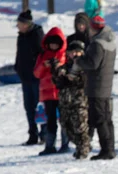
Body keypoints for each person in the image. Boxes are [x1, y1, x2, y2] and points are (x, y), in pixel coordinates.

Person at [73, 16, 117, 160]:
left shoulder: (98, 43)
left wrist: (79, 60)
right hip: (104, 85)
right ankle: (109, 148)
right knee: (106, 119)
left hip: (97, 86)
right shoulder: (109, 41)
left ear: (93, 29)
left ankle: (107, 150)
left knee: (100, 119)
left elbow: (93, 64)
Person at [51, 41, 91, 159]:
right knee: (67, 127)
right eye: (72, 52)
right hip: (65, 102)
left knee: (80, 126)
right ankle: (81, 146)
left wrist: (73, 78)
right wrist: (55, 69)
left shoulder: (84, 67)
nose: (75, 54)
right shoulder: (65, 67)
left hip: (79, 102)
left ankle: (83, 149)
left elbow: (82, 81)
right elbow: (58, 81)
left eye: (77, 52)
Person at [34, 27, 67, 156]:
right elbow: (36, 73)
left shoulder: (64, 56)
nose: (54, 46)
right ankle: (50, 145)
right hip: (47, 94)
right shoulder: (42, 56)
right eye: (52, 43)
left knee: (64, 120)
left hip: (61, 92)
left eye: (56, 43)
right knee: (50, 121)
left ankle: (65, 144)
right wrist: (44, 65)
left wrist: (59, 66)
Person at [14, 10, 45, 146]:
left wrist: (38, 70)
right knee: (28, 106)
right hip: (25, 76)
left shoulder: (37, 34)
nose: (17, 26)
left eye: (19, 23)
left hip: (37, 77)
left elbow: (42, 54)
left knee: (40, 107)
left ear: (26, 24)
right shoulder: (21, 35)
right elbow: (19, 53)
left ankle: (44, 135)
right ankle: (33, 134)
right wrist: (18, 67)